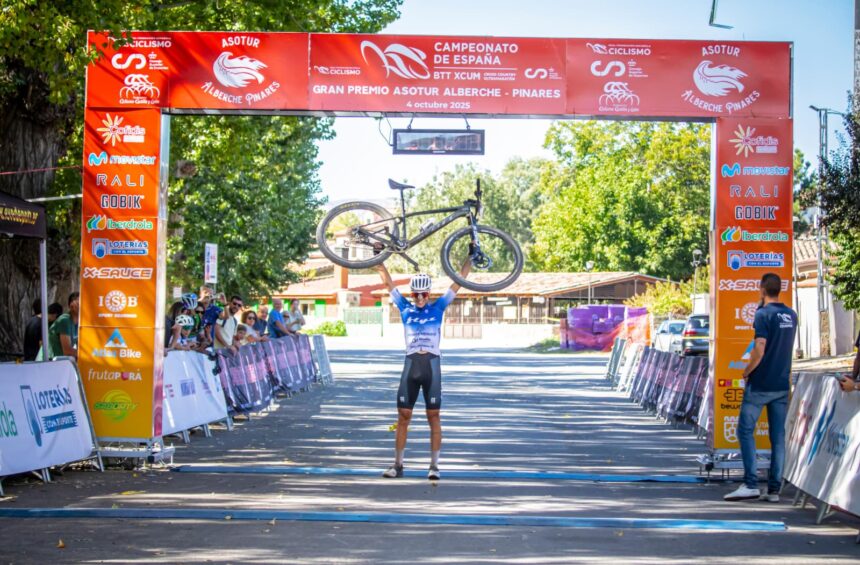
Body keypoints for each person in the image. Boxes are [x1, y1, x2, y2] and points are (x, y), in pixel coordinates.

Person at [374, 259, 471, 481]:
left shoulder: (438, 307)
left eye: (423, 294)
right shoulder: (404, 307)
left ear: (429, 294)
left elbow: (459, 281)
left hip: (431, 366)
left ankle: (434, 466)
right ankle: (398, 465)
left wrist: (470, 257)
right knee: (403, 416)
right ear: (411, 294)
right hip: (411, 365)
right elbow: (388, 283)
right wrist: (379, 259)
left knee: (433, 416)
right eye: (415, 294)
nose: (419, 298)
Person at [724, 273, 798, 503]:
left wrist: (747, 371)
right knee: (778, 437)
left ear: (762, 289)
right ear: (779, 289)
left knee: (745, 430)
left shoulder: (763, 314)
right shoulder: (791, 315)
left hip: (760, 384)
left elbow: (760, 348)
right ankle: (774, 490)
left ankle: (750, 484)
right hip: (781, 384)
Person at [48, 292, 79, 360]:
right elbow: (67, 351)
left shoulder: (79, 323)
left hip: (61, 361)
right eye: (79, 303)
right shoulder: (64, 320)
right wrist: (90, 354)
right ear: (72, 305)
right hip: (49, 361)